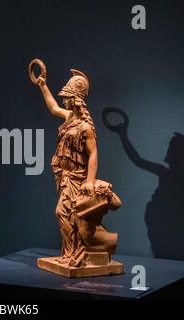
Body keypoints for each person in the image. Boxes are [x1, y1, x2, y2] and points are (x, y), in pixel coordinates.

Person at [34, 66, 120, 266]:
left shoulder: (85, 127)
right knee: (69, 216)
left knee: (62, 212)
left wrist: (89, 181)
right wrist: (43, 85)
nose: (64, 100)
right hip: (63, 176)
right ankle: (70, 252)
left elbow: (93, 154)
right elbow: (53, 108)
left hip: (76, 177)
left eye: (67, 97)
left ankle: (75, 252)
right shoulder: (69, 117)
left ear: (76, 99)